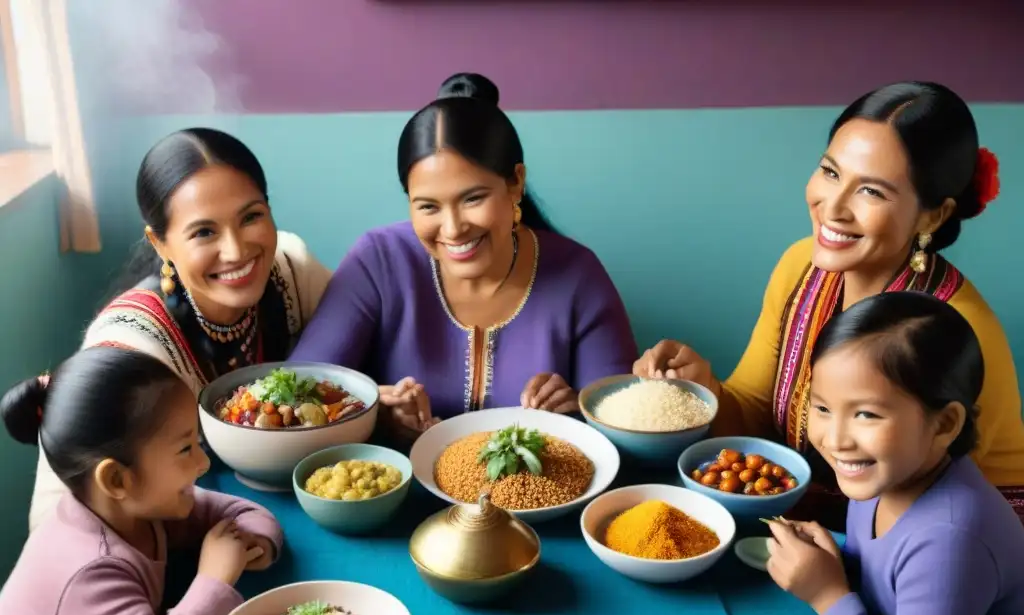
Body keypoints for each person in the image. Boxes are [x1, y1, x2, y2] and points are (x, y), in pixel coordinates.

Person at [634, 81, 1024, 524]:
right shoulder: (802, 266)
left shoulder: (958, 329)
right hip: (823, 533)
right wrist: (705, 390)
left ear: (933, 215)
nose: (832, 207)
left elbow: (936, 511)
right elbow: (755, 417)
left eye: (871, 191)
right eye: (831, 172)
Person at [288, 73, 636, 436]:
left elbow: (624, 425)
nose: (452, 229)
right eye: (427, 207)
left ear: (515, 182)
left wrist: (575, 410)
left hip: (544, 491)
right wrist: (371, 411)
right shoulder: (378, 261)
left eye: (473, 199)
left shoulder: (578, 276)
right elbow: (296, 395)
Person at [764, 292, 1024, 615]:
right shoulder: (889, 475)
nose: (836, 438)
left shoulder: (952, 537)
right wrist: (835, 558)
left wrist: (825, 594)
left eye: (866, 414)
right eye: (822, 408)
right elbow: (884, 572)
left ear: (945, 424)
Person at [28, 127, 331, 531]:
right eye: (204, 232)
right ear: (160, 243)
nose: (237, 250)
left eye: (251, 217)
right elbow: (53, 518)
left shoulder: (292, 269)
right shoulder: (131, 345)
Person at [0, 346, 284, 615]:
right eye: (186, 449)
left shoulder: (144, 506)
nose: (203, 463)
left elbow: (242, 511)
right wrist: (214, 578)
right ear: (117, 478)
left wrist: (255, 543)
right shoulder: (85, 567)